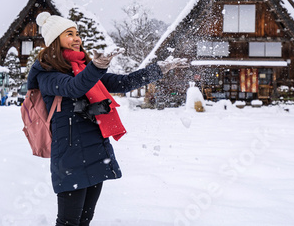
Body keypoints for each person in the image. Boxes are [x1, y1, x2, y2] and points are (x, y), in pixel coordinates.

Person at [27, 12, 187, 225]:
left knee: (85, 219)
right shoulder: (47, 74)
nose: (77, 38)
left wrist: (159, 69)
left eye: (77, 33)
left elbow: (125, 82)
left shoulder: (83, 69)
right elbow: (74, 88)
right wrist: (98, 66)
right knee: (68, 222)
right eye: (69, 34)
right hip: (69, 154)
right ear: (55, 40)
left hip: (94, 150)